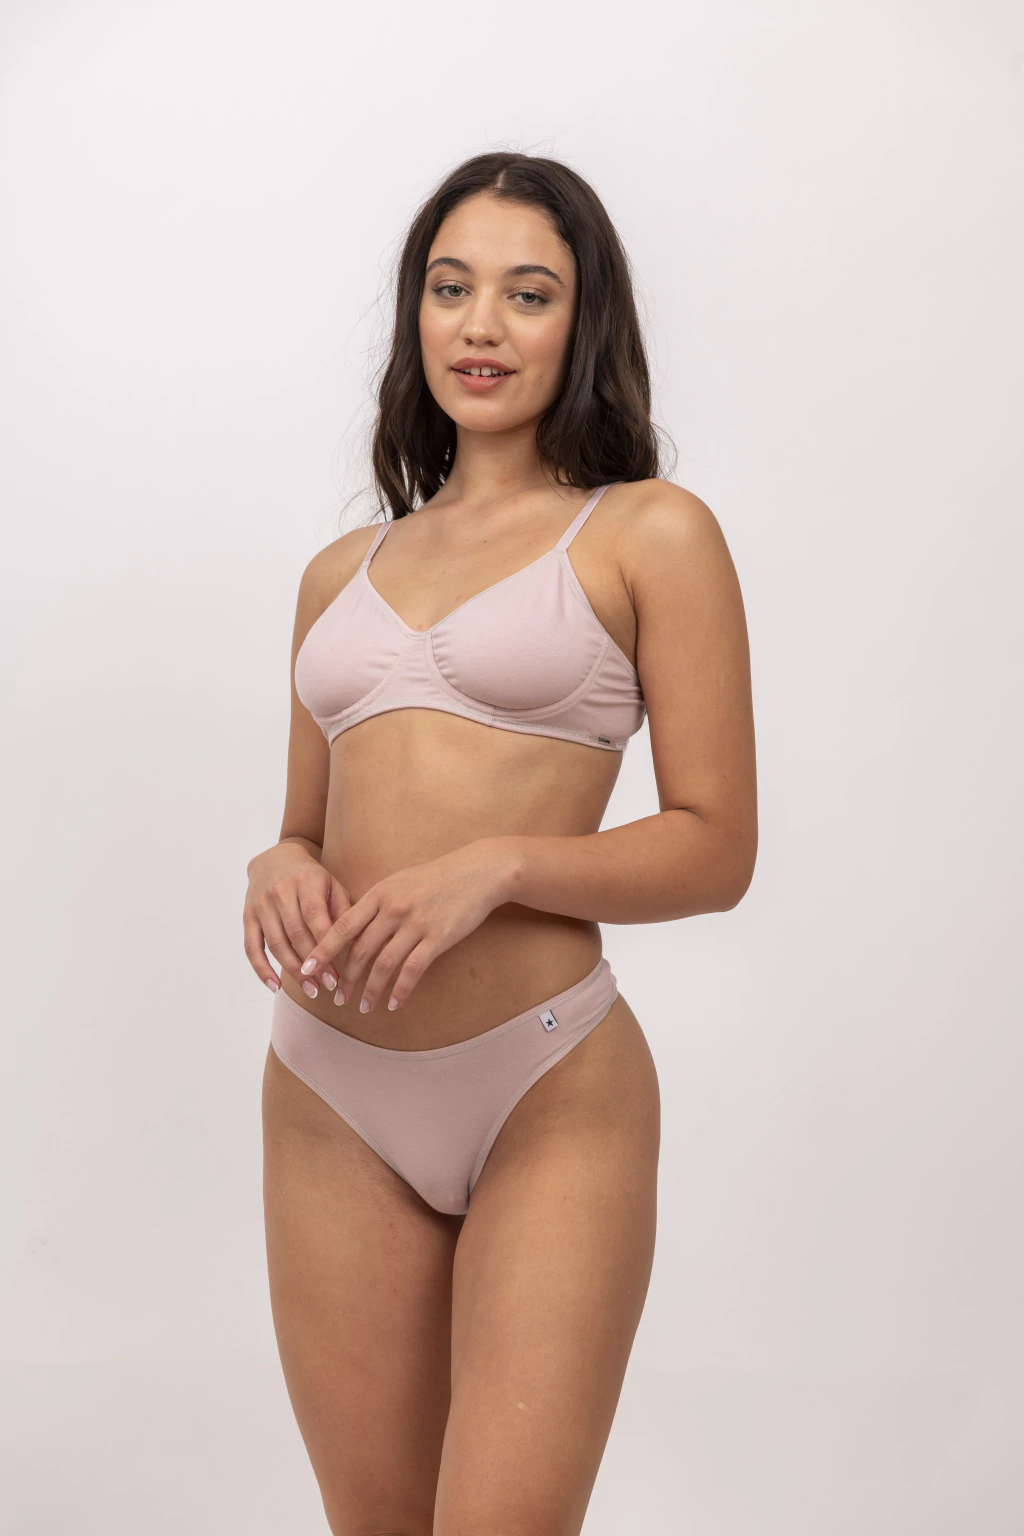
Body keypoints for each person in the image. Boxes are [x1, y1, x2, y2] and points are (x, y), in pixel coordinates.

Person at [244, 151, 757, 1536]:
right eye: (449, 287)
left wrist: (504, 865)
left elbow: (717, 849)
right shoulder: (340, 573)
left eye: (528, 294)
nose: (481, 325)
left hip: (546, 1085)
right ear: (415, 314)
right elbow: (303, 827)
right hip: (328, 1092)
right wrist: (275, 864)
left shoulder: (649, 533)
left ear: (583, 323)